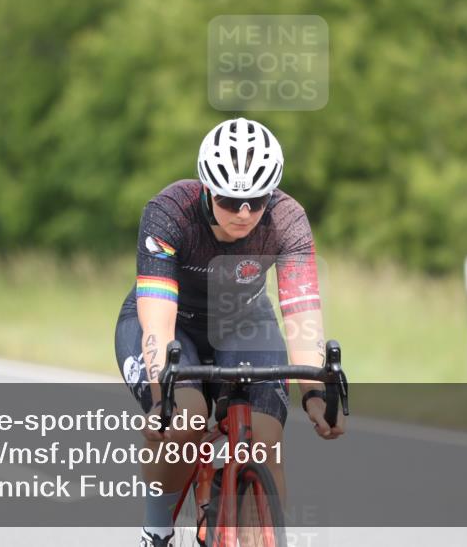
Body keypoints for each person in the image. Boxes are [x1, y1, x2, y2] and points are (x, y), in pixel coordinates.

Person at [114, 117, 345, 547]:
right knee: (185, 417)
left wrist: (315, 392)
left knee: (266, 440)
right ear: (206, 189)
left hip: (244, 322)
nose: (243, 213)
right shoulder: (170, 212)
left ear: (271, 195)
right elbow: (159, 321)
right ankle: (156, 528)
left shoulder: (288, 220)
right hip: (174, 324)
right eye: (230, 200)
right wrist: (162, 399)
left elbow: (302, 316)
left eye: (256, 201)